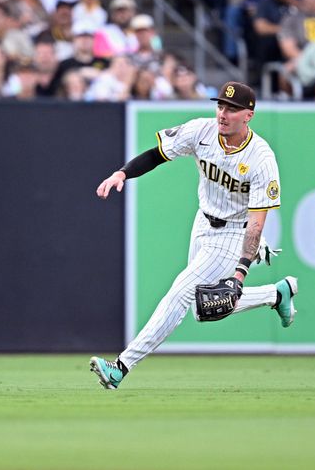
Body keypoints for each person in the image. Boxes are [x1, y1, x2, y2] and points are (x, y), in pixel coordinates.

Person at [90, 81, 296, 390]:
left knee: (180, 292)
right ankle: (276, 294)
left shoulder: (261, 159)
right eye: (221, 106)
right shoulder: (201, 131)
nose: (223, 114)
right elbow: (157, 154)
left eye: (232, 109)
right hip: (202, 223)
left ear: (249, 115)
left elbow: (256, 224)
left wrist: (240, 273)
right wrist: (122, 173)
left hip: (233, 232)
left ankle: (121, 366)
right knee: (203, 309)